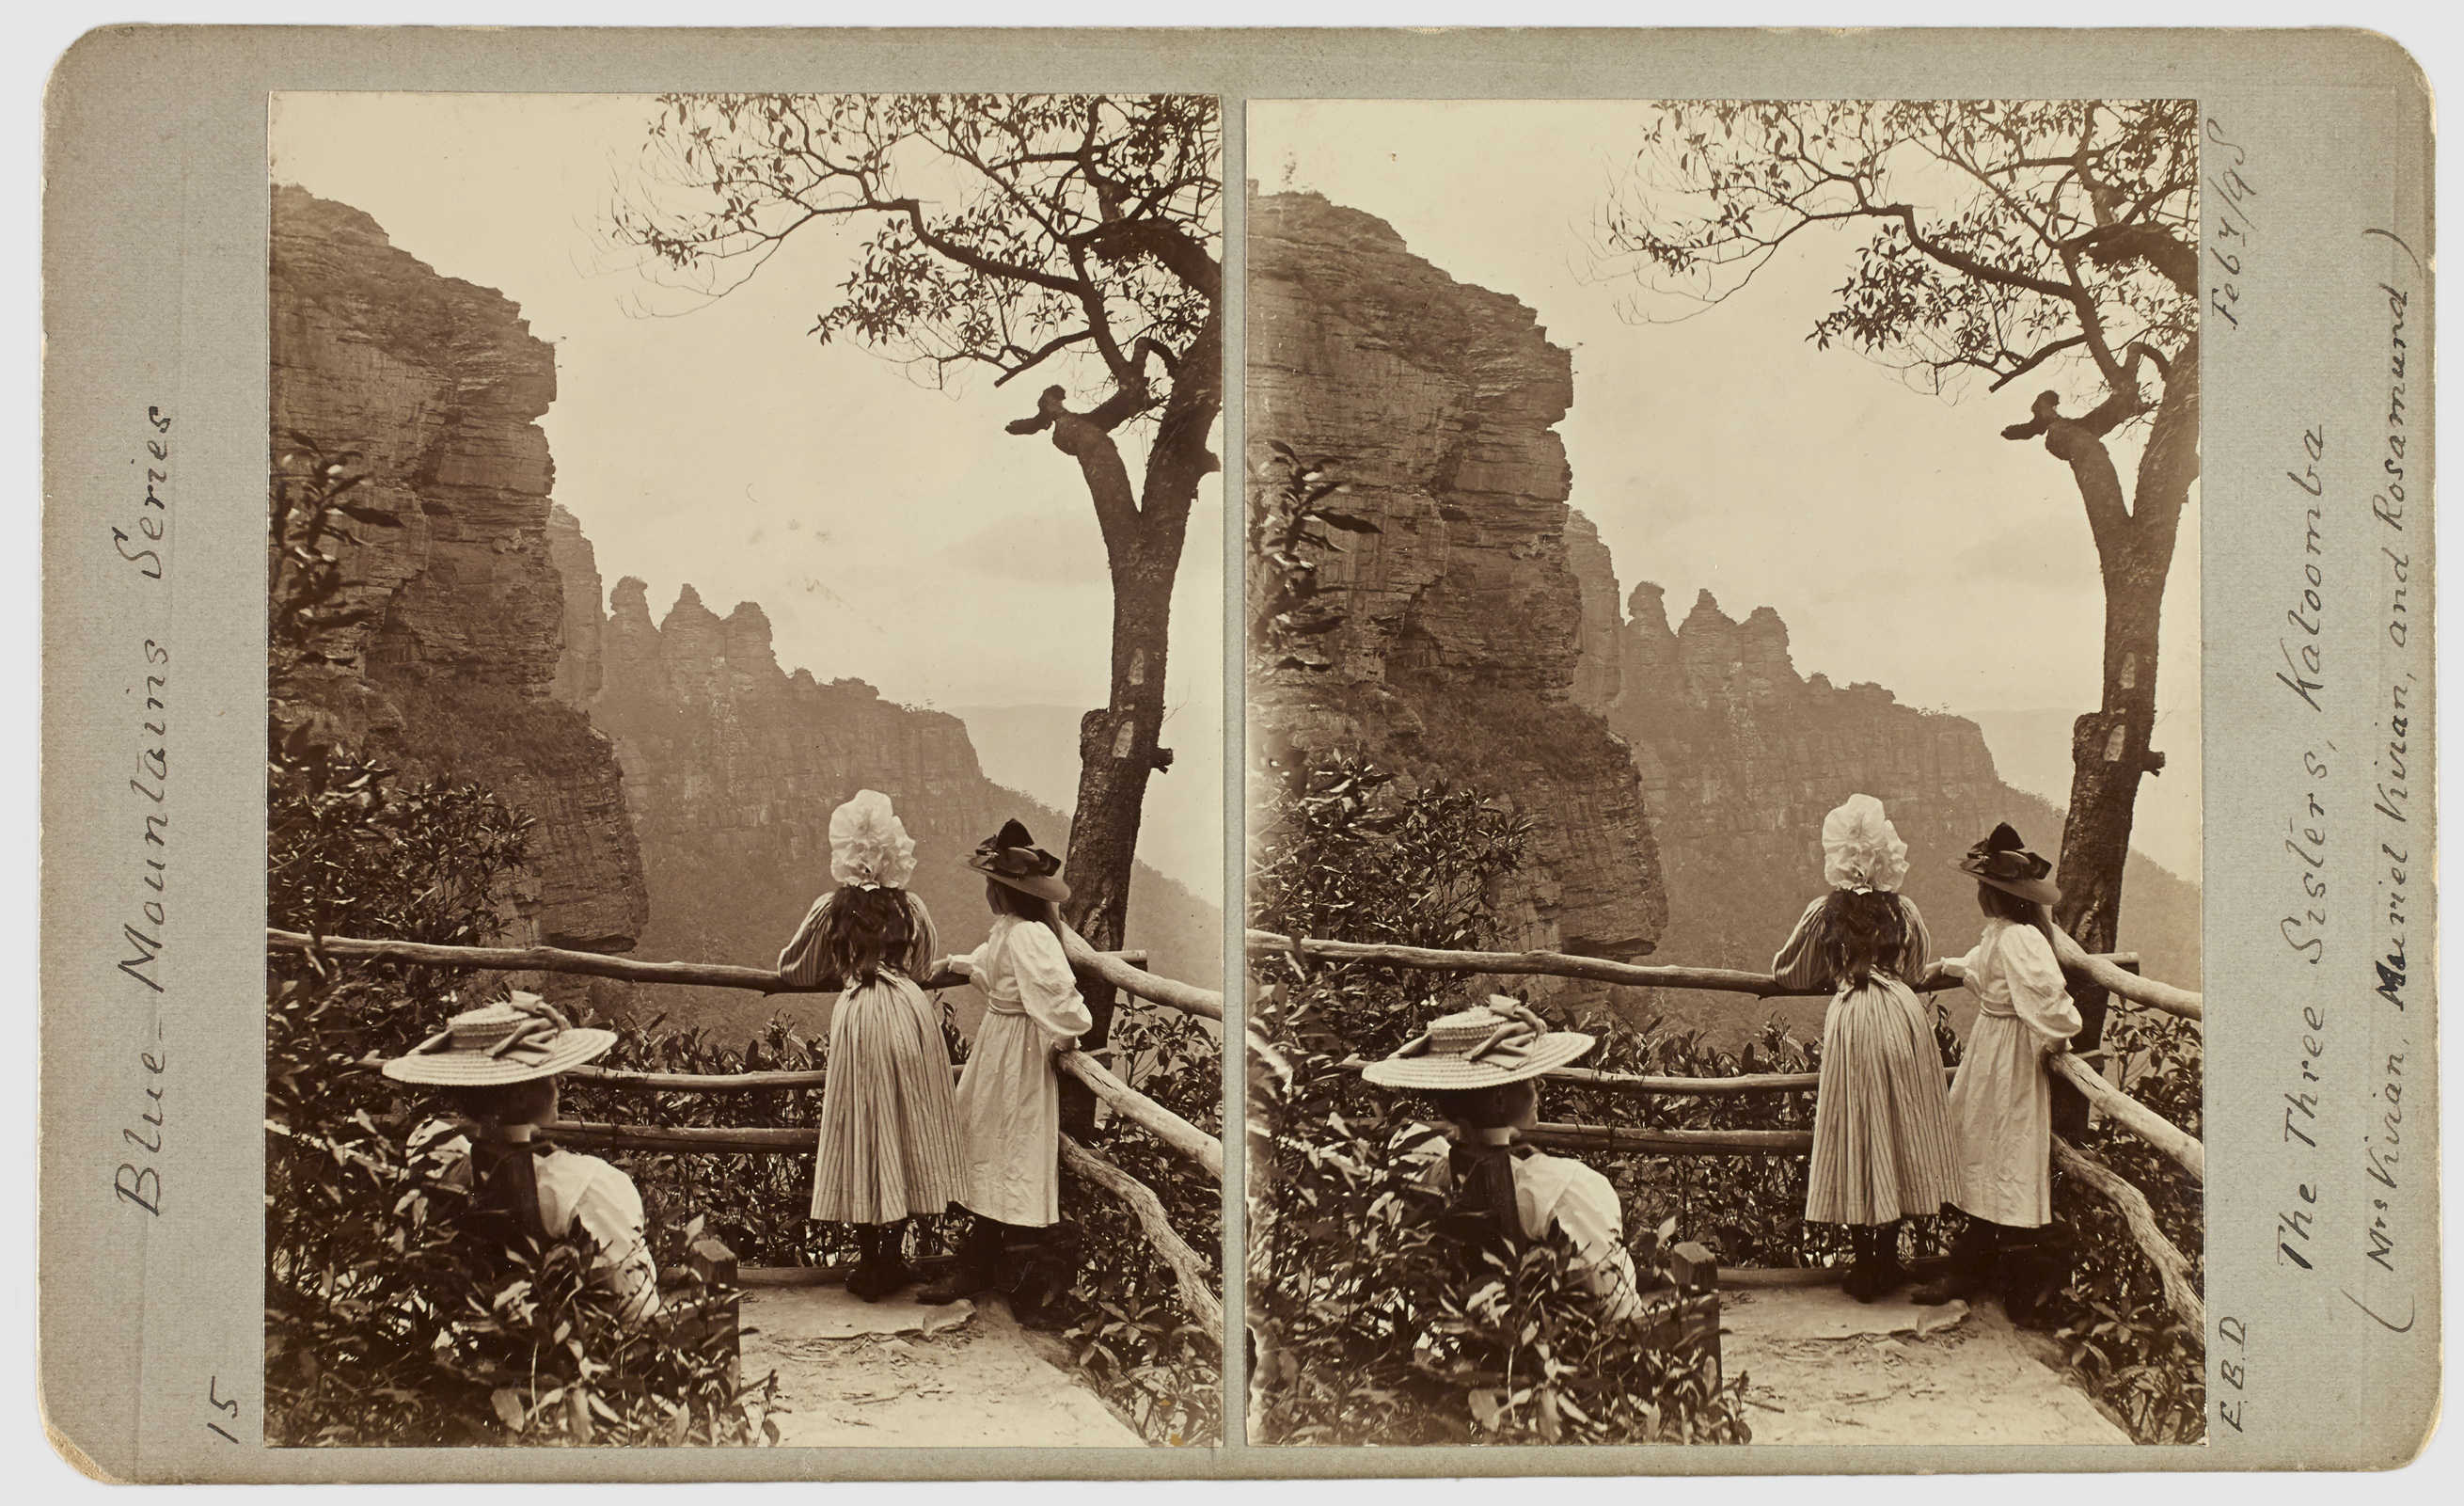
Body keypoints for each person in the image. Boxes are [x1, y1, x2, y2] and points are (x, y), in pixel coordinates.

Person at [777, 789, 966, 1301]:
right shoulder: (912, 907)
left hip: (859, 1017)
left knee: (863, 1125)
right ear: (893, 853)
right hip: (910, 1015)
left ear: (845, 853)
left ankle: (869, 1264)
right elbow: (924, 969)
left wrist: (842, 965)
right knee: (909, 1124)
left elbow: (793, 969)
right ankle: (894, 1256)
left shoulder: (829, 908)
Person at [1771, 793, 1960, 1301]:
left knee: (1855, 1128)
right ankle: (1891, 1259)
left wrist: (1835, 969)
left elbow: (1787, 972)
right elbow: (1918, 971)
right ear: (1886, 856)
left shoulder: (1821, 912)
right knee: (1902, 1128)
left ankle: (1865, 1266)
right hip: (1903, 1019)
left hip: (1853, 1021)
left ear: (1838, 857)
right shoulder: (1905, 911)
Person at [384, 993, 662, 1323]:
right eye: (551, 1074)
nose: (562, 1081)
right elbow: (636, 1306)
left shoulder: (434, 1157)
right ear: (519, 1095)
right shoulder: (583, 1185)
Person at [1369, 998, 1644, 1321]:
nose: (1540, 1084)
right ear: (1500, 1099)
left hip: (1469, 1342)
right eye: (1530, 1078)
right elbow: (1614, 1303)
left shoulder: (1427, 1176)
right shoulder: (1562, 1187)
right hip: (1563, 1354)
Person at [916, 819, 1094, 1305]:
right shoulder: (1012, 931)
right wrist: (954, 964)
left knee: (1008, 1145)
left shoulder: (1029, 937)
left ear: (1004, 891)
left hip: (1016, 1054)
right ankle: (987, 1262)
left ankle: (997, 1270)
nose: (988, 892)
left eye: (992, 884)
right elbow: (994, 968)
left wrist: (1062, 1036)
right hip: (999, 1046)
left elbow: (1064, 1004)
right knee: (990, 1141)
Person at [1914, 823, 2082, 1306]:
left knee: (2006, 1149)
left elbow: (2052, 1004)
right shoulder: (2005, 935)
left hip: (2009, 1056)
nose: (1980, 897)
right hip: (1991, 1049)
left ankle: (2020, 1274)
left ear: (1994, 895)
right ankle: (1979, 1266)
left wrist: (2053, 1038)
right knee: (1984, 1145)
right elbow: (1984, 966)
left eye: (1983, 888)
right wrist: (1946, 966)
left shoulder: (2020, 941)